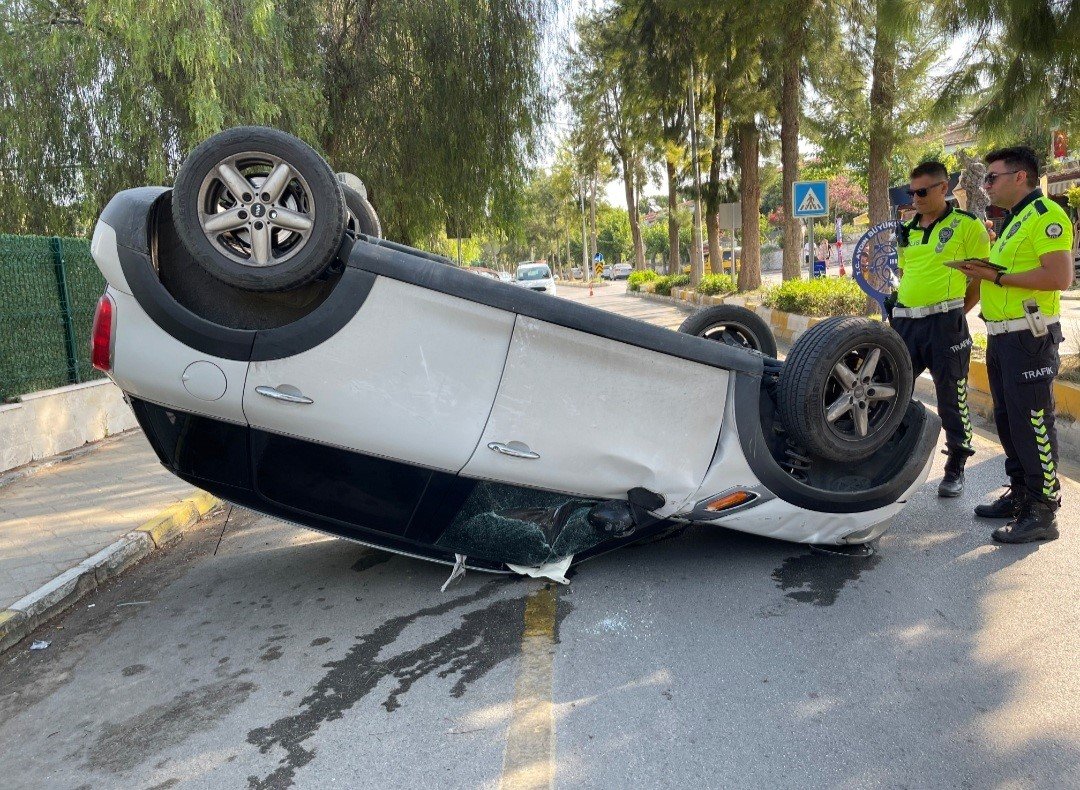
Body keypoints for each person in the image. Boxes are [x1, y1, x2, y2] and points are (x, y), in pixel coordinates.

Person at [960, 146, 1074, 543]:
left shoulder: (1045, 215)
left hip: (1029, 336)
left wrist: (996, 276)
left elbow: (1059, 277)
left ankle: (1042, 512)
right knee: (1009, 420)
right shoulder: (1013, 221)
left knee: (1033, 422)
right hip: (1002, 336)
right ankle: (1022, 494)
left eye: (992, 178)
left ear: (1020, 177)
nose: (986, 186)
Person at [892, 161, 990, 497]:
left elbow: (980, 277)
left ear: (943, 188)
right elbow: (906, 274)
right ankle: (887, 458)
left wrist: (957, 313)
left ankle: (956, 466)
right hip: (905, 323)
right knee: (892, 390)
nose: (915, 198)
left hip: (945, 324)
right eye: (911, 192)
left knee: (952, 396)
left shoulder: (967, 225)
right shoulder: (906, 229)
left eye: (922, 192)